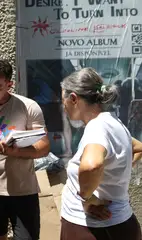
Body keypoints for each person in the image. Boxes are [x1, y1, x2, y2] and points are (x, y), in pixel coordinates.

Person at [60, 67, 142, 240]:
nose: (63, 107)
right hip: (121, 224)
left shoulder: (97, 128)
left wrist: (87, 199)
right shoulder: (113, 122)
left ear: (74, 98)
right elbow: (138, 147)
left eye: (63, 101)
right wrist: (111, 174)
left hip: (91, 229)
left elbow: (91, 166)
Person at [0, 60, 50, 240]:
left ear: (9, 85)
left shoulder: (28, 107)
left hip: (23, 190)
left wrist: (14, 152)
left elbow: (44, 147)